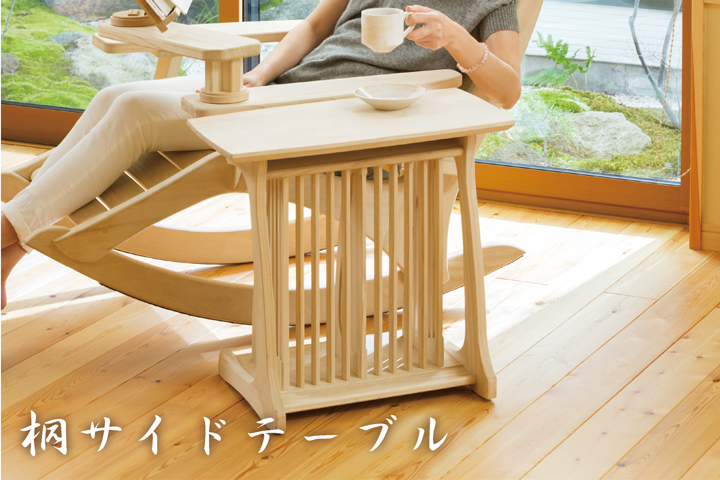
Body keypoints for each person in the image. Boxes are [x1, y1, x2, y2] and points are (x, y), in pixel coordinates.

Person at [0, 0, 522, 309]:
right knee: (115, 96)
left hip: (345, 124)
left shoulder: (494, 5)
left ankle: (7, 229)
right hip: (285, 96)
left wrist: (458, 39)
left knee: (136, 109)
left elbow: (506, 91)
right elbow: (314, 27)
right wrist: (259, 75)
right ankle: (15, 241)